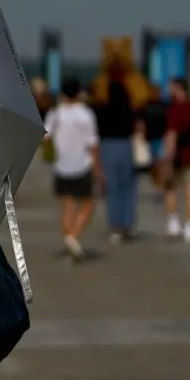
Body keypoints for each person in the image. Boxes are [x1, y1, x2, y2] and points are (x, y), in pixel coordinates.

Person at [44, 77, 101, 259]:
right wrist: (98, 168)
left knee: (67, 204)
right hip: (82, 163)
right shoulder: (86, 114)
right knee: (88, 202)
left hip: (61, 164)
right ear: (79, 93)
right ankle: (73, 236)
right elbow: (92, 143)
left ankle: (69, 237)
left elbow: (46, 137)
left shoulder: (55, 114)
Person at [92, 65, 144, 244]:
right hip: (126, 146)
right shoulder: (129, 109)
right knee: (128, 187)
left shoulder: (101, 110)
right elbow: (137, 127)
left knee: (112, 187)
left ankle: (115, 225)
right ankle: (127, 224)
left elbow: (96, 130)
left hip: (107, 146)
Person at [161, 77, 190, 242]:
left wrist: (168, 157)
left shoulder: (175, 109)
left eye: (171, 88)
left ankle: (173, 222)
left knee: (170, 187)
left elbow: (172, 134)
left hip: (178, 155)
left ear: (178, 88)